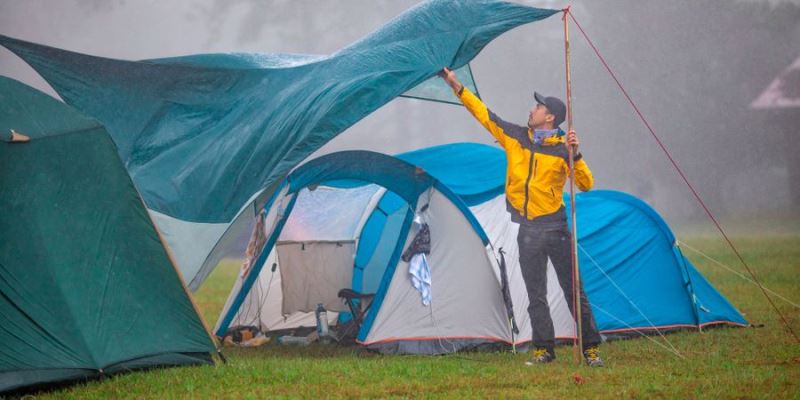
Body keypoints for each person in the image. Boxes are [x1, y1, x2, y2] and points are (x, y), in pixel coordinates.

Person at [438, 67, 603, 367]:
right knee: (535, 294)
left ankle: (591, 348)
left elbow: (586, 184)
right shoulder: (515, 137)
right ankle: (544, 349)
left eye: (538, 106)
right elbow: (484, 114)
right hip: (527, 230)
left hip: (556, 228)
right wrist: (456, 86)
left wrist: (575, 155)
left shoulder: (564, 148)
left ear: (550, 116)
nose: (532, 109)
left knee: (573, 291)